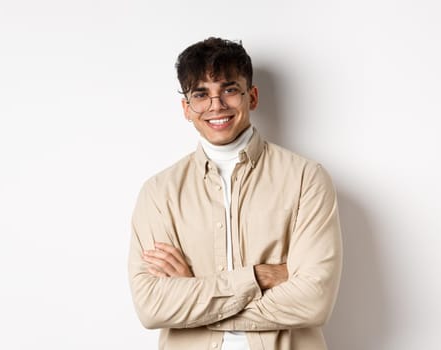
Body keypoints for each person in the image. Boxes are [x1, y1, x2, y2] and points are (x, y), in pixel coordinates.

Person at [128, 37, 342, 350]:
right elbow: (150, 306)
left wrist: (194, 296)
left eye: (229, 89)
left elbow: (314, 300)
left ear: (251, 96)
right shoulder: (158, 194)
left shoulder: (306, 178)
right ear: (187, 108)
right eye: (201, 94)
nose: (216, 105)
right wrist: (257, 278)